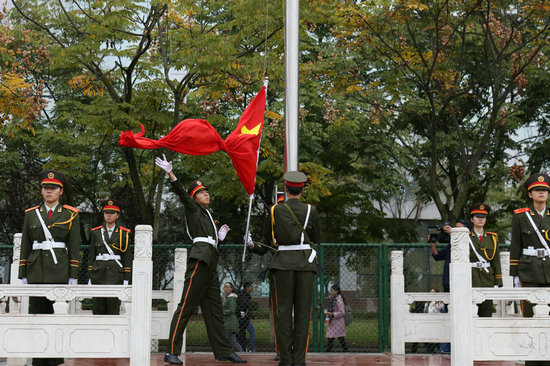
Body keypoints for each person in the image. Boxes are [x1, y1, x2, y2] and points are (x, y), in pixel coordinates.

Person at [155, 154, 246, 365]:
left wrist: (218, 238)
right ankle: (171, 352)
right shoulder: (193, 208)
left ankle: (223, 350)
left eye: (206, 192)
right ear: (194, 197)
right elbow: (181, 194)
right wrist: (171, 173)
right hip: (200, 260)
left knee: (215, 311)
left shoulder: (208, 214)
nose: (206, 194)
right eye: (201, 193)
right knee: (186, 306)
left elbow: (209, 236)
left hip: (211, 261)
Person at [248, 171, 321, 366]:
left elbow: (267, 243)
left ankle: (286, 360)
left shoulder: (274, 211)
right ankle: (299, 360)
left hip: (282, 265)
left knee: (282, 313)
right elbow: (317, 237)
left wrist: (252, 246)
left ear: (286, 189)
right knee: (303, 314)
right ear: (302, 189)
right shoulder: (311, 211)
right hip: (305, 264)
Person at [18, 169, 81, 366]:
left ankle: (55, 361)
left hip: (59, 271)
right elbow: (26, 245)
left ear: (60, 191)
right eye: (46, 188)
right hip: (36, 271)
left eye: (53, 188)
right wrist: (23, 272)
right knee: (37, 318)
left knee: (57, 320)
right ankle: (38, 360)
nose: (49, 191)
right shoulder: (31, 214)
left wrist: (73, 274)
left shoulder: (71, 214)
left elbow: (74, 246)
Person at [510, 173, 550, 366]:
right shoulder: (521, 216)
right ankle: (532, 360)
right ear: (531, 193)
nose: (541, 193)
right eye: (537, 190)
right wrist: (514, 274)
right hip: (528, 272)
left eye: (544, 190)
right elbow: (515, 246)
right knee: (529, 318)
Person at [88, 198, 132, 315]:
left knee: (113, 307)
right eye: (106, 212)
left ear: (117, 215)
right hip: (98, 273)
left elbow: (126, 257)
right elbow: (91, 255)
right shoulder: (95, 232)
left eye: (112, 213)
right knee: (98, 307)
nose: (109, 215)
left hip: (115, 274)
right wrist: (90, 275)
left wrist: (127, 277)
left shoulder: (124, 233)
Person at [468, 203, 502, 317]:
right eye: (477, 217)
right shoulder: (465, 237)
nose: (480, 219)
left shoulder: (492, 238)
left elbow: (496, 261)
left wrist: (498, 282)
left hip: (488, 279)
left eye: (483, 217)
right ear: (472, 219)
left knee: (486, 313)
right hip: (470, 277)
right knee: (469, 313)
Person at [429, 219, 472, 292]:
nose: (455, 230)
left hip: (462, 281)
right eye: (455, 228)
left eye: (459, 228)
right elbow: (437, 256)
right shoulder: (451, 245)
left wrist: (452, 233)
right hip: (448, 281)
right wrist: (432, 244)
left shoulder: (470, 243)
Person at [325, 284, 348, 352]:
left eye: (332, 290)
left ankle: (329, 350)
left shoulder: (339, 300)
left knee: (334, 337)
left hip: (337, 322)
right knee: (337, 337)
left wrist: (332, 314)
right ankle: (345, 349)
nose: (331, 292)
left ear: (337, 291)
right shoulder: (335, 299)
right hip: (334, 322)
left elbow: (342, 312)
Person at [223, 282, 244, 352]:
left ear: (231, 289)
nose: (226, 288)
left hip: (230, 322)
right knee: (231, 340)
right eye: (225, 287)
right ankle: (239, 353)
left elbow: (231, 310)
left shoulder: (232, 298)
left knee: (232, 341)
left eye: (228, 287)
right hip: (227, 321)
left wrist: (221, 312)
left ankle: (241, 353)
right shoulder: (227, 297)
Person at [237, 281, 256, 352]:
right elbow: (243, 308)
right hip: (244, 319)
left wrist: (252, 315)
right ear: (247, 288)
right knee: (252, 332)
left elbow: (248, 309)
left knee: (243, 334)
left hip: (245, 318)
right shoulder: (243, 296)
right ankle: (251, 349)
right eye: (251, 286)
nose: (252, 288)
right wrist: (243, 317)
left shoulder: (247, 295)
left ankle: (244, 348)